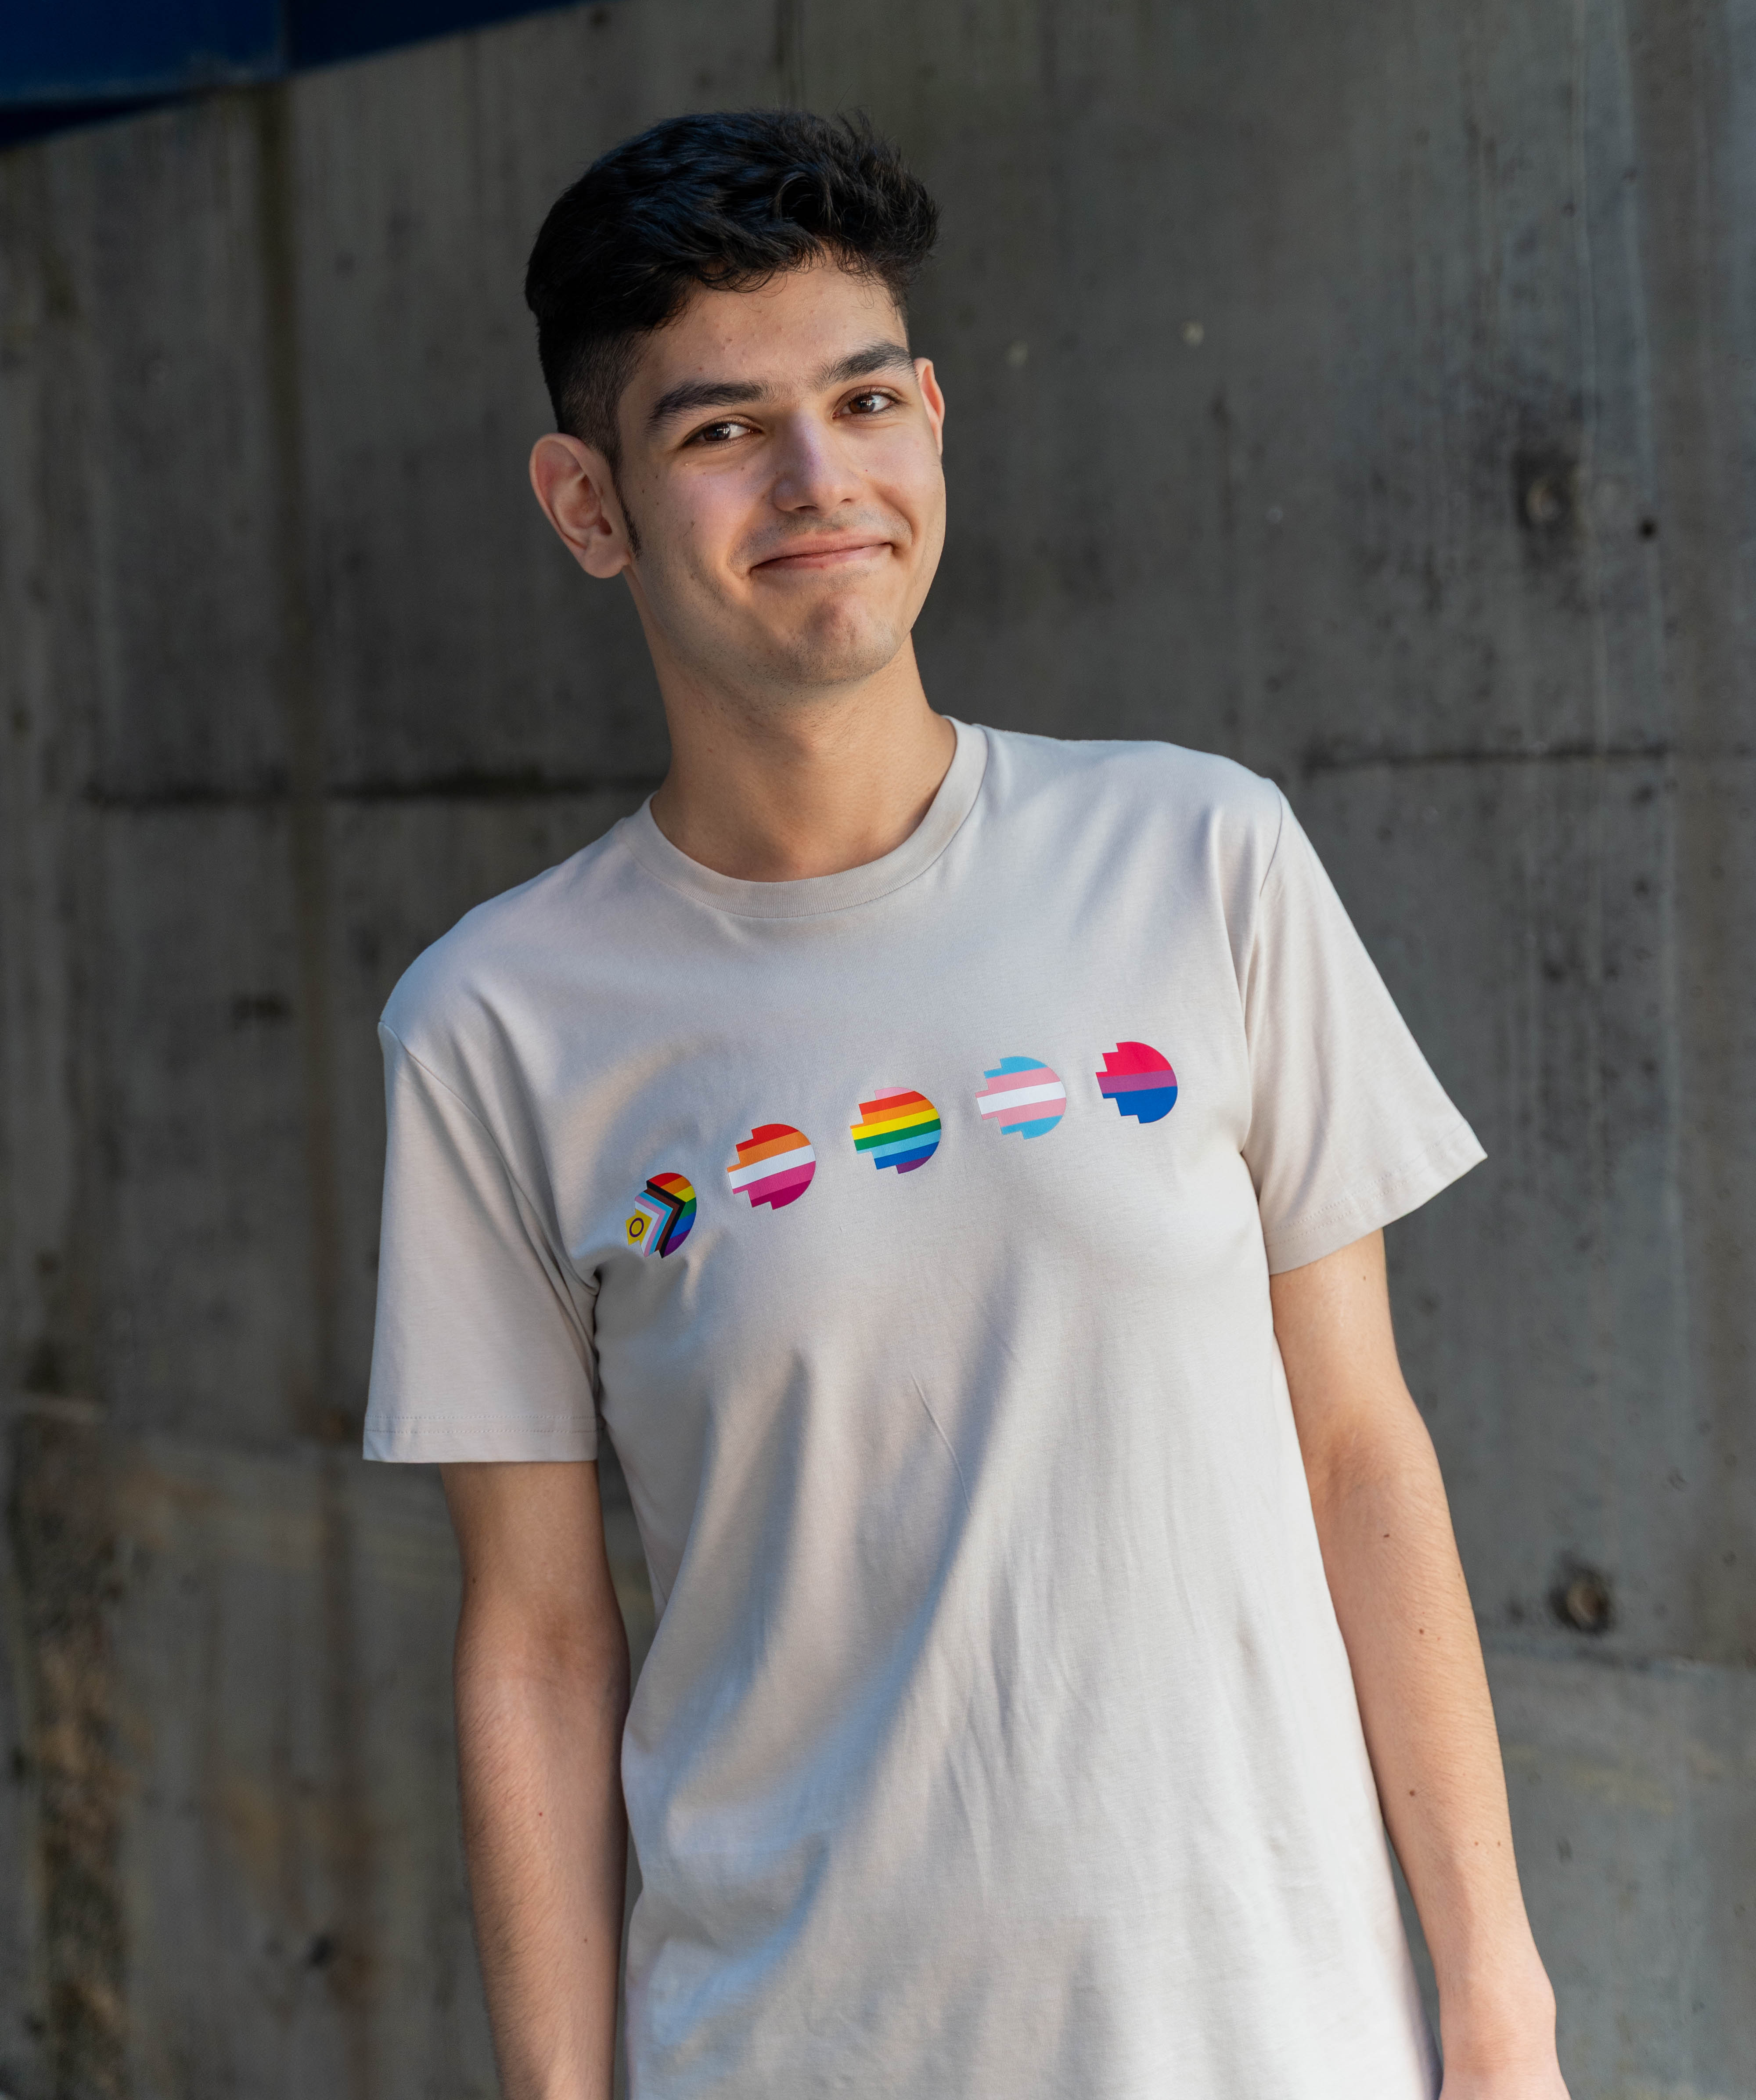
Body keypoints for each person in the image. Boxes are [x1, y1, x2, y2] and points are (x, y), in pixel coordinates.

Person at [363, 110, 1568, 2100]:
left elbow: (1359, 1447)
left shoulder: (1201, 858)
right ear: (589, 506)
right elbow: (541, 1643)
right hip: (790, 2048)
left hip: (1278, 2037)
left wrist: (1498, 1998)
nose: (817, 480)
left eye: (861, 402)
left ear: (930, 420)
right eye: (722, 430)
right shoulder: (496, 1025)